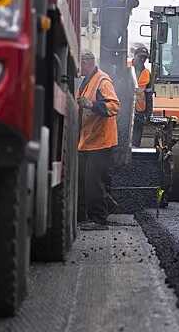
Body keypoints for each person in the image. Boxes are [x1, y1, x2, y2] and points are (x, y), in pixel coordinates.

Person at [77, 50, 121, 230]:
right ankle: (99, 212)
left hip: (101, 142)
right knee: (89, 181)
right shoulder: (87, 81)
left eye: (80, 64)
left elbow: (114, 106)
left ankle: (99, 220)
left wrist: (92, 105)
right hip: (89, 140)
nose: (78, 68)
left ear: (87, 63)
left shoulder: (102, 80)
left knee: (94, 182)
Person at [131, 45, 151, 147]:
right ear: (135, 56)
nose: (142, 59)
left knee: (136, 140)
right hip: (126, 110)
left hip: (139, 111)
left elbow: (148, 95)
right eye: (140, 57)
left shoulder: (147, 73)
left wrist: (148, 113)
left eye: (144, 57)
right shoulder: (125, 67)